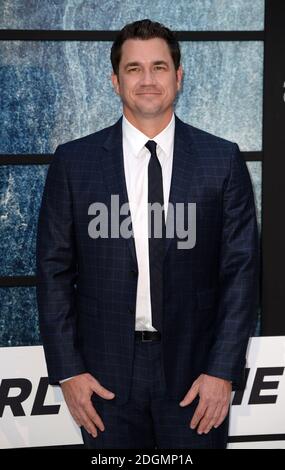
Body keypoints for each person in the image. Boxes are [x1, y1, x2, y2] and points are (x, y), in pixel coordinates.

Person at [36, 19, 259, 449]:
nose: (147, 79)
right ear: (114, 81)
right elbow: (53, 272)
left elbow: (241, 274)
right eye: (134, 69)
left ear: (178, 76)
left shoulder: (222, 160)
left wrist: (222, 370)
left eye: (158, 67)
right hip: (103, 381)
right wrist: (68, 371)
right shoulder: (74, 163)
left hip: (197, 377)